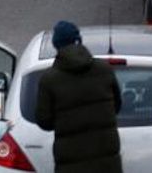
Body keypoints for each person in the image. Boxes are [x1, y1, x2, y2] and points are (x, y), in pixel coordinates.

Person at [35, 21, 122, 173]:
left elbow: (44, 121)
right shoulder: (104, 70)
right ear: (79, 40)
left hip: (70, 164)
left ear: (56, 45)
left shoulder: (49, 79)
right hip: (107, 164)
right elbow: (117, 106)